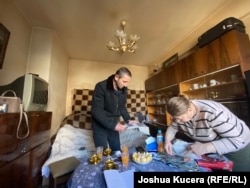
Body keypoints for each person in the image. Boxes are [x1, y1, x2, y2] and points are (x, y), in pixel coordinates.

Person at [164, 95, 250, 171]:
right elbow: (173, 127)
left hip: (237, 149)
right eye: (175, 119)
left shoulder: (212, 113)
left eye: (180, 119)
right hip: (214, 150)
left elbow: (237, 140)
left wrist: (205, 147)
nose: (177, 121)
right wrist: (167, 140)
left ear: (189, 110)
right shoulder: (180, 113)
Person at [91, 67, 138, 152]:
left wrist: (128, 120)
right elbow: (96, 111)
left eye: (127, 82)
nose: (126, 85)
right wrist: (114, 126)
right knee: (102, 152)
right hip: (100, 122)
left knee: (116, 150)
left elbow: (122, 107)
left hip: (113, 121)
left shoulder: (124, 89)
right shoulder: (101, 86)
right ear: (116, 77)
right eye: (124, 81)